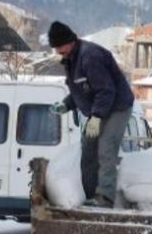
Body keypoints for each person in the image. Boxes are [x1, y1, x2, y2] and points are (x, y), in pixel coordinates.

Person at [47, 21, 135, 207]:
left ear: (70, 41)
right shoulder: (71, 59)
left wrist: (96, 117)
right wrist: (66, 105)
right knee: (88, 149)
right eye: (55, 48)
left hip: (117, 107)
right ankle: (90, 194)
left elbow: (106, 91)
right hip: (100, 108)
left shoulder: (90, 57)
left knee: (105, 149)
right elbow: (82, 89)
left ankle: (105, 197)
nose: (57, 52)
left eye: (59, 47)